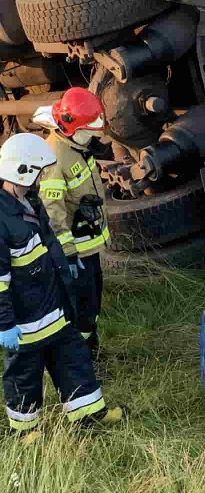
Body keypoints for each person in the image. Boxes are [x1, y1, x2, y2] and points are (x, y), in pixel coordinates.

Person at [0, 133, 122, 443]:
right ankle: (25, 431)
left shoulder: (29, 200)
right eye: (39, 171)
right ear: (22, 171)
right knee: (24, 375)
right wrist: (4, 324)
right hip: (25, 321)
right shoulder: (2, 218)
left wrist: (66, 262)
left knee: (74, 359)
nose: (43, 177)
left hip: (54, 305)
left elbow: (50, 240)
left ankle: (89, 414)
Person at [35, 88, 109, 360]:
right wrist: (67, 252)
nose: (93, 136)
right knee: (83, 308)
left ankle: (93, 354)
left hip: (88, 247)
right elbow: (51, 210)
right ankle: (82, 363)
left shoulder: (75, 145)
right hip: (76, 252)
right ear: (73, 129)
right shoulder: (55, 158)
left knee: (93, 303)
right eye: (89, 131)